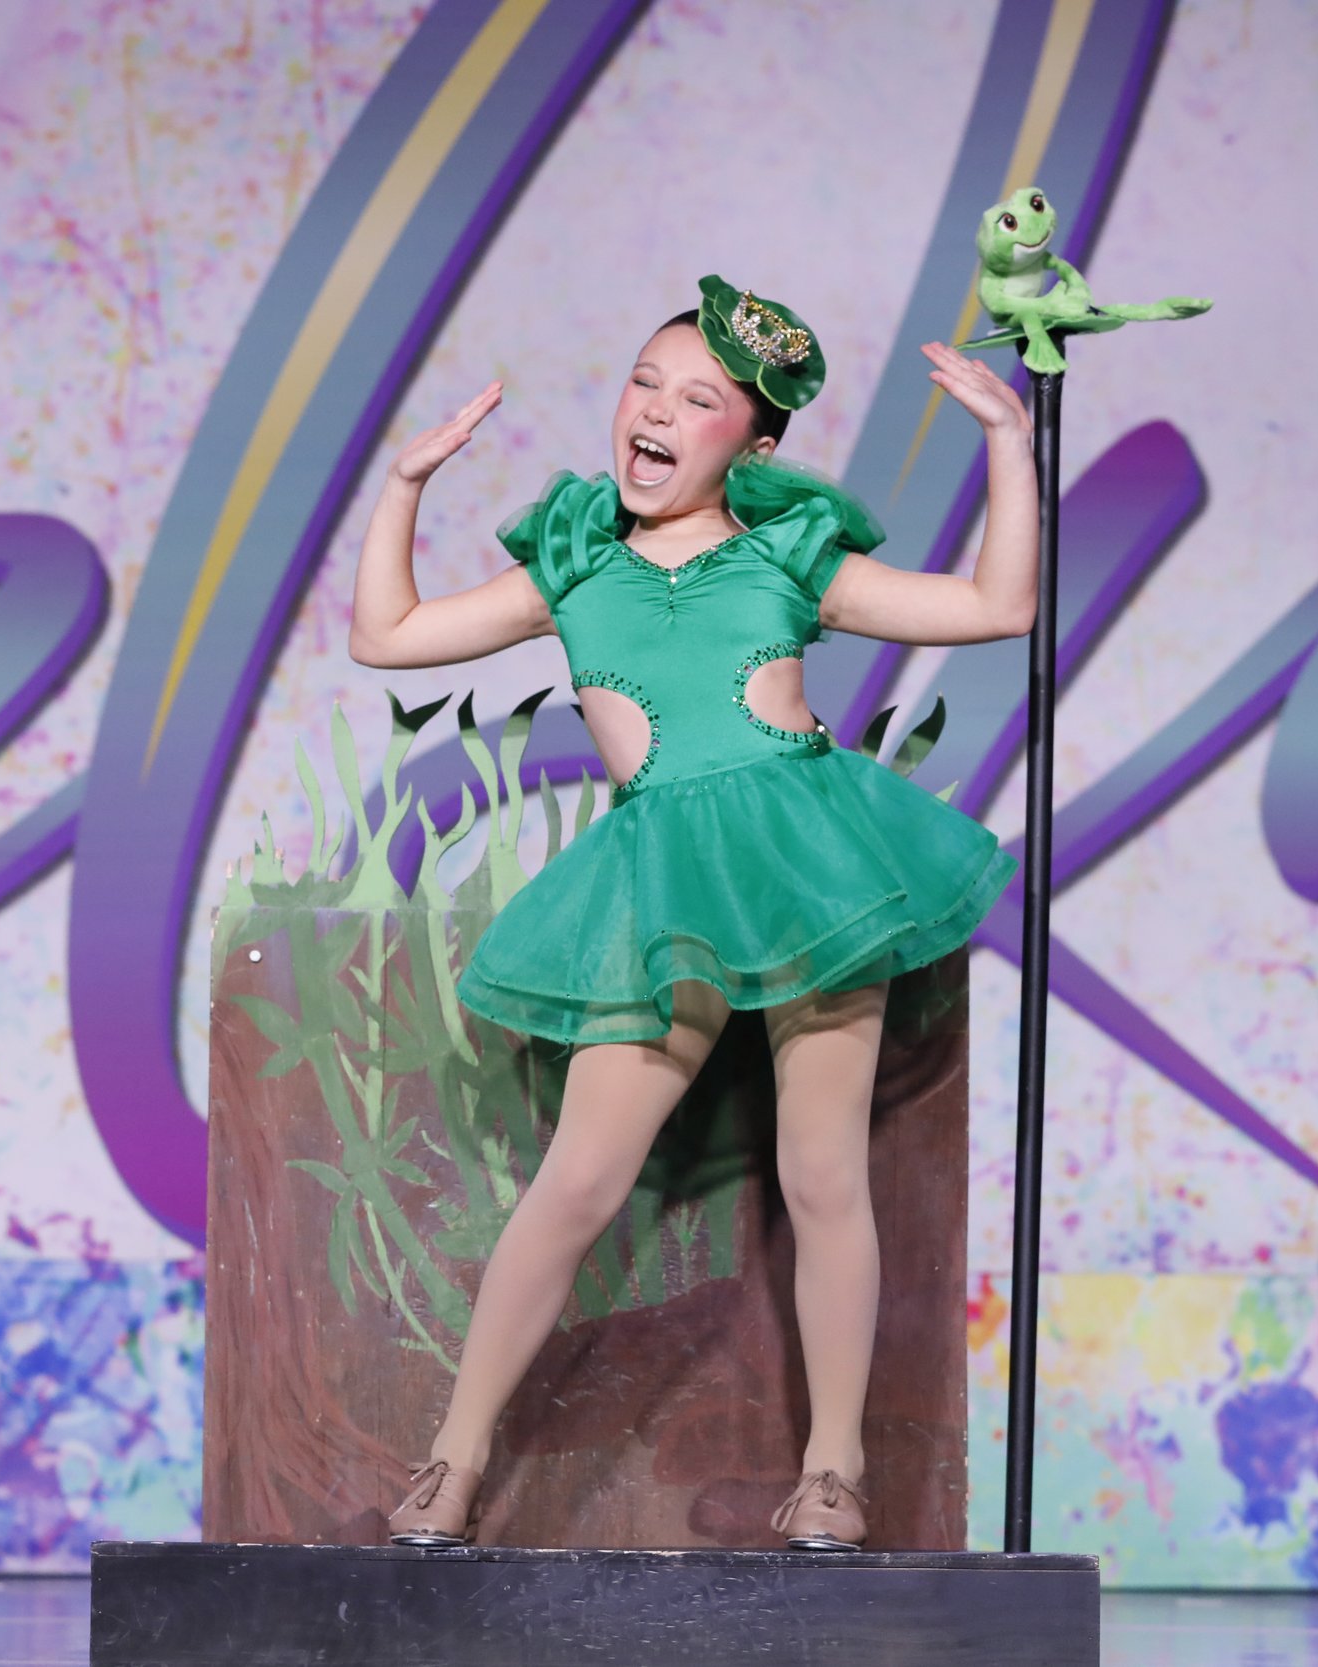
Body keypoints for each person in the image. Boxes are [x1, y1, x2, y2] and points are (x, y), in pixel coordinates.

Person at [347, 275, 1035, 1551]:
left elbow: (997, 607)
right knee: (578, 1180)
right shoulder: (574, 562)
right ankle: (456, 1456)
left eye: (698, 399)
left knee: (821, 1172)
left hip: (806, 865)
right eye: (645, 384)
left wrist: (1006, 441)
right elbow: (385, 637)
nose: (656, 412)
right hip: (657, 878)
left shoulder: (785, 553)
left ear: (753, 443)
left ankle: (832, 1471)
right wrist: (402, 486)